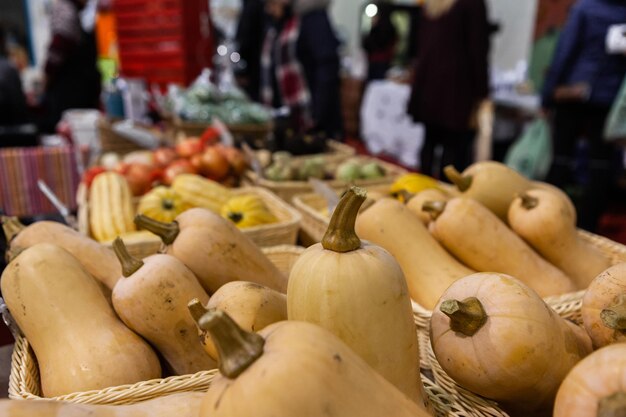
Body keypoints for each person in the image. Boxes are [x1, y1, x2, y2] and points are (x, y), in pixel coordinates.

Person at [541, 0, 626, 232]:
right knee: (601, 165)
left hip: (574, 93)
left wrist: (548, 94)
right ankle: (588, 227)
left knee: (561, 158)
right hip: (608, 97)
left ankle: (548, 219)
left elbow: (565, 51)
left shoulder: (584, 8)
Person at [407, 0, 490, 179]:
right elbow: (478, 50)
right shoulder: (472, 5)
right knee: (453, 149)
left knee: (430, 142)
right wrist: (482, 92)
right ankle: (445, 199)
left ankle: (423, 193)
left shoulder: (432, 5)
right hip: (455, 89)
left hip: (429, 84)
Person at [260, 0, 342, 143]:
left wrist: (317, 118)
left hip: (312, 122)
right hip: (287, 121)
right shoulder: (280, 24)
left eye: (272, 4)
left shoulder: (313, 20)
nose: (269, 9)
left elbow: (327, 69)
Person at [39, 0, 101, 134]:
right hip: (71, 91)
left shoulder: (83, 11)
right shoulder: (65, 8)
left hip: (80, 89)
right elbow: (59, 44)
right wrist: (47, 76)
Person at [362, 2, 398, 82]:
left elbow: (370, 44)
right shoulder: (391, 28)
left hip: (377, 63)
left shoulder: (379, 28)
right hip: (384, 62)